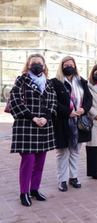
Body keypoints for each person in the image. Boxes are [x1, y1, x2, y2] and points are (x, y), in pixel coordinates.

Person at [9, 53, 57, 206]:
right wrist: (33, 117)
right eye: (33, 63)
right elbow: (15, 100)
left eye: (39, 63)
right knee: (28, 161)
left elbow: (53, 101)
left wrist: (46, 117)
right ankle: (24, 192)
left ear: (44, 66)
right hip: (27, 126)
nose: (37, 65)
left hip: (44, 126)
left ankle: (34, 189)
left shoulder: (48, 83)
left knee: (40, 161)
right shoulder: (21, 80)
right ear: (28, 65)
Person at [51, 56, 92, 192]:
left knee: (75, 151)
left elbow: (88, 99)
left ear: (75, 66)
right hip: (63, 122)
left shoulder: (82, 82)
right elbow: (53, 103)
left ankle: (73, 177)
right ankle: (62, 180)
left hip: (79, 122)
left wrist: (83, 109)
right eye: (66, 65)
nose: (69, 67)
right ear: (62, 67)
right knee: (62, 153)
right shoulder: (55, 83)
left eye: (71, 64)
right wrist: (68, 112)